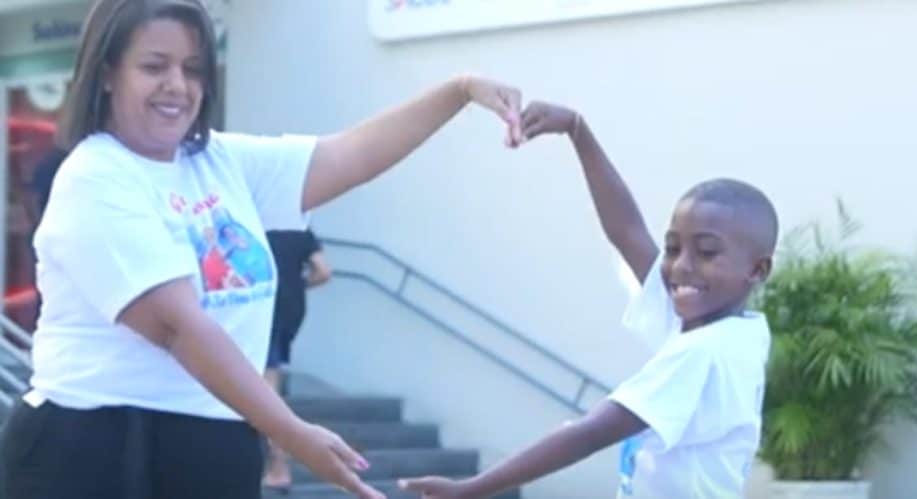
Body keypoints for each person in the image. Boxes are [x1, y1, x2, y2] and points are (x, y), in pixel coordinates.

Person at [0, 1, 524, 498]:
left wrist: (457, 93)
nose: (177, 86)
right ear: (108, 73)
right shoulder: (96, 177)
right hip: (99, 448)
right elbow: (179, 327)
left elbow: (347, 156)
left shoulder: (217, 160)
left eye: (193, 68)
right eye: (154, 66)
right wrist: (291, 432)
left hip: (213, 441)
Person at [401, 101, 778, 499]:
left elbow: (588, 434)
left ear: (757, 270)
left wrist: (473, 488)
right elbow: (627, 230)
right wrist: (579, 132)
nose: (682, 266)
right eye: (673, 248)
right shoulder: (732, 329)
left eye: (706, 251)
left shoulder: (704, 353)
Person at [262, 226, 332, 490]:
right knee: (270, 381)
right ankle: (277, 465)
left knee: (265, 389)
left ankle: (279, 466)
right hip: (291, 307)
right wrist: (294, 284)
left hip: (261, 305)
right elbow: (323, 271)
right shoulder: (299, 225)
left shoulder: (250, 215)